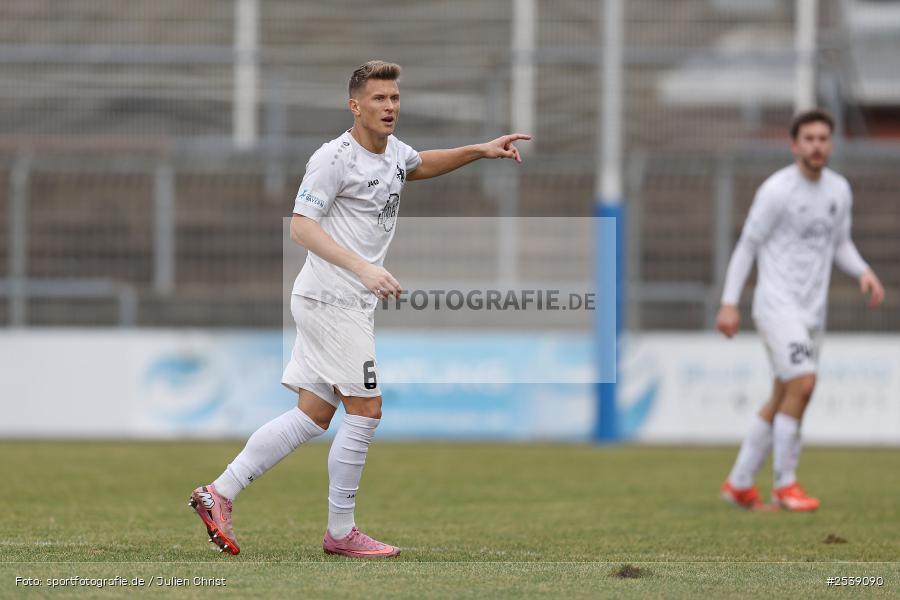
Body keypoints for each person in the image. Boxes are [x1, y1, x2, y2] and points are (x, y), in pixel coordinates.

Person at [189, 60, 531, 556]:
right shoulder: (334, 159)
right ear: (355, 105)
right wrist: (363, 269)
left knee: (312, 414)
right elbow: (301, 226)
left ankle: (218, 493)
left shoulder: (393, 152)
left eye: (394, 98)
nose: (389, 106)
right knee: (366, 410)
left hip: (338, 300)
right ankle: (341, 532)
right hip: (332, 299)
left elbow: (421, 165)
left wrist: (480, 150)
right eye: (378, 99)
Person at [716, 109, 884, 512]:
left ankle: (740, 483)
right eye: (808, 138)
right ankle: (784, 484)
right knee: (804, 384)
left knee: (783, 394)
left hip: (812, 312)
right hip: (776, 304)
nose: (817, 146)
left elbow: (840, 243)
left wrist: (863, 271)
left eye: (823, 138)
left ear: (831, 144)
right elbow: (748, 246)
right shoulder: (777, 190)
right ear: (794, 145)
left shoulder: (839, 191)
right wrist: (728, 302)